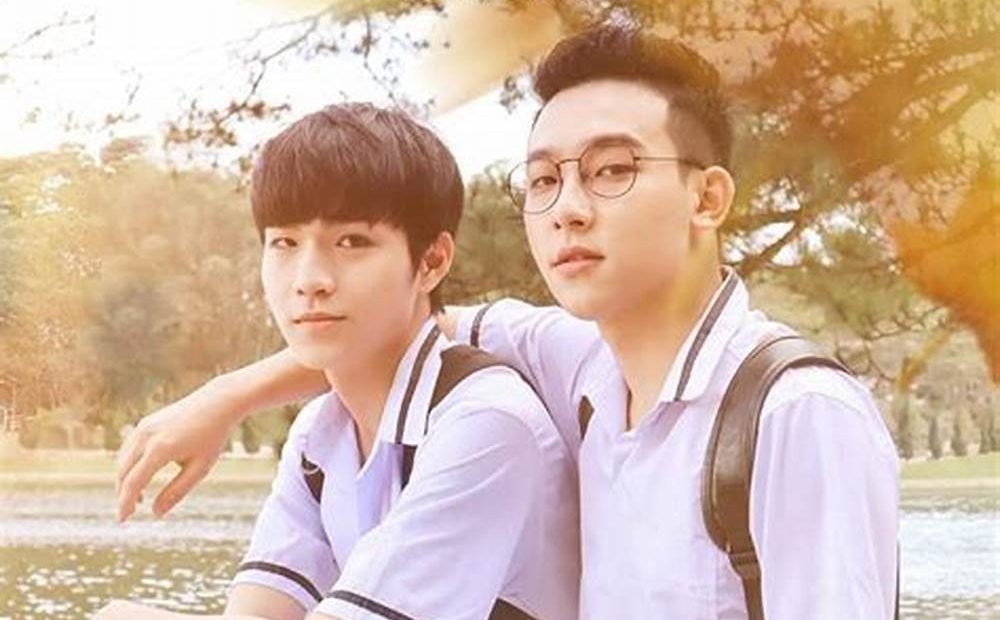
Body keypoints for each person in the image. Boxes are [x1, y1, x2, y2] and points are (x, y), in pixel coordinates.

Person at [115, 24, 899, 619]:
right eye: (544, 179)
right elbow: (388, 332)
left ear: (708, 197)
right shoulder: (580, 364)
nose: (569, 209)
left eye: (612, 170)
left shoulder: (794, 414)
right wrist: (221, 400)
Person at [98, 103, 579, 620]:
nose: (309, 279)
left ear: (432, 261)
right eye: (284, 242)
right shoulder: (320, 435)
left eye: (351, 241)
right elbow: (257, 614)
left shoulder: (487, 423)